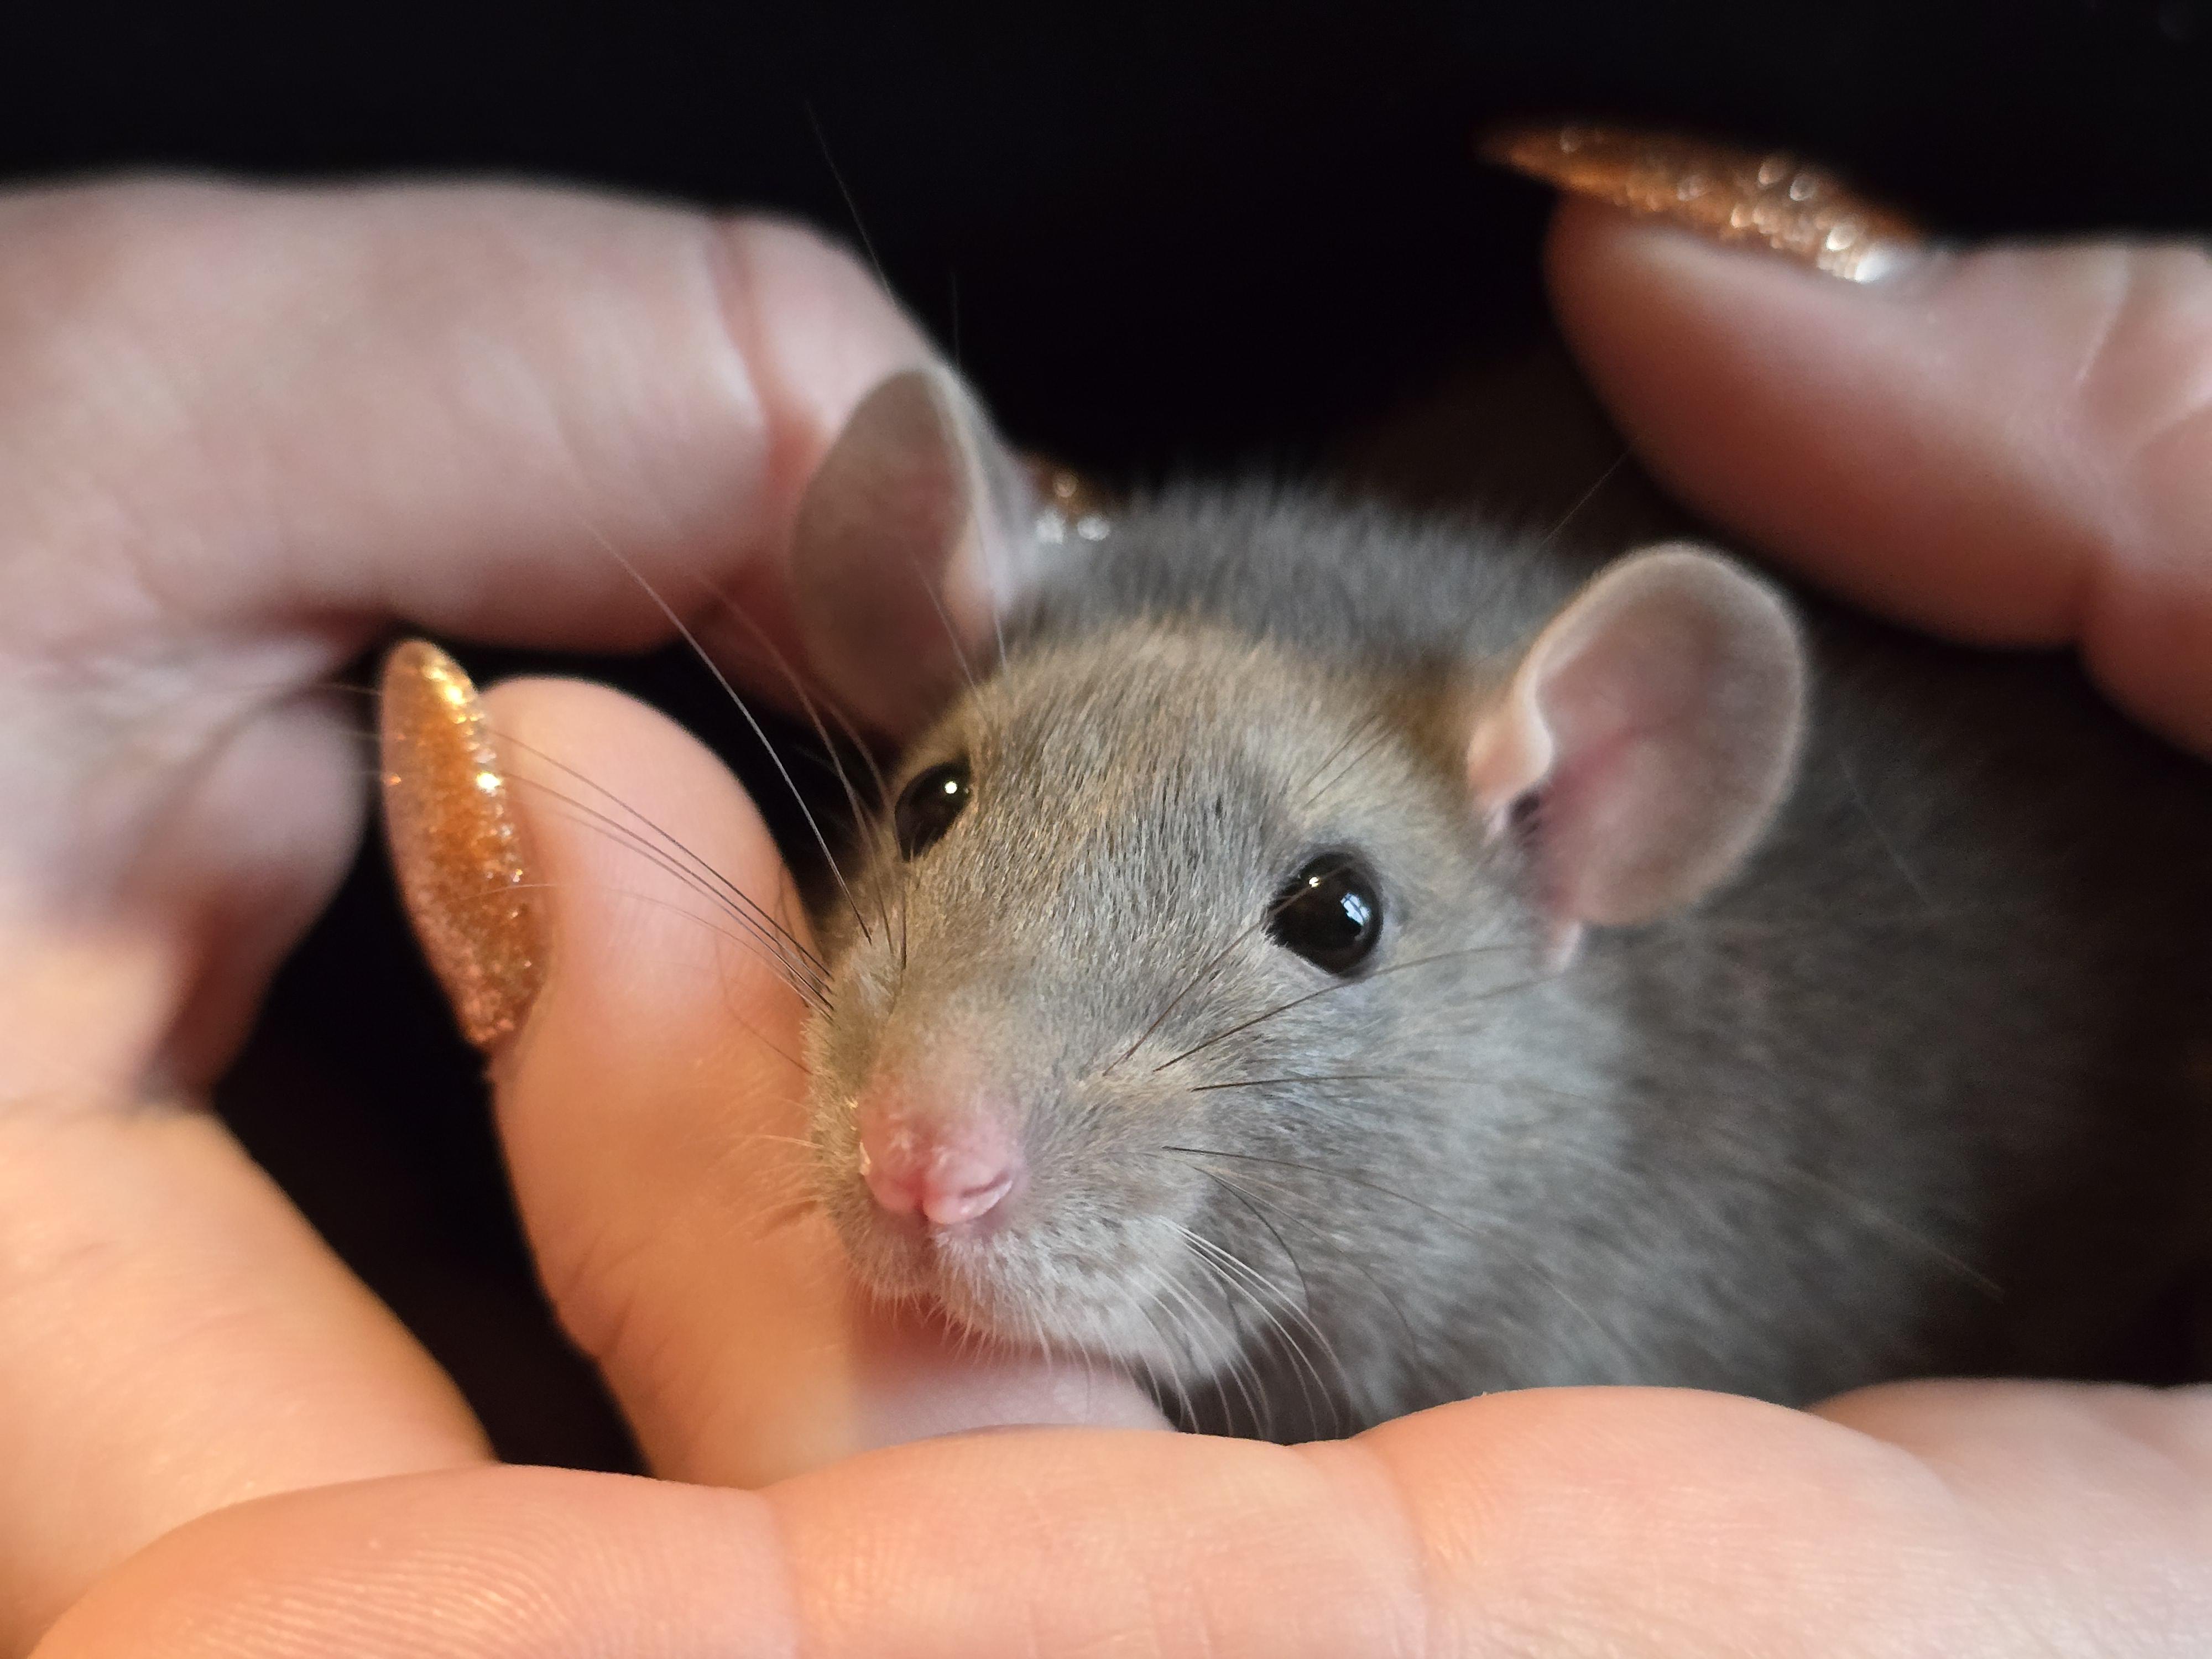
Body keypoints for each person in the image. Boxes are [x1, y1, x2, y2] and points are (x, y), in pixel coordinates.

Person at [3, 131, 2207, 1655]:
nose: (942, 1133)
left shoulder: (1791, 1196)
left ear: (1584, 828)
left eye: (1325, 922)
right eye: (944, 801)